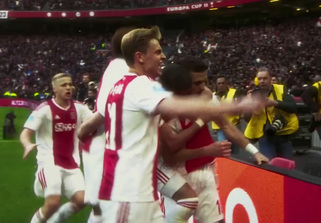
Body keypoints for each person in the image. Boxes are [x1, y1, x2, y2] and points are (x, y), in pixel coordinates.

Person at [78, 26, 264, 223]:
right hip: (129, 187)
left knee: (188, 200)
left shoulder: (119, 86)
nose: (163, 57)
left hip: (132, 179)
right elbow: (175, 108)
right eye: (157, 52)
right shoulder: (141, 86)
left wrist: (83, 132)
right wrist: (238, 104)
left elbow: (100, 118)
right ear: (140, 57)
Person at [158, 58, 269, 223]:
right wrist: (207, 146)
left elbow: (226, 125)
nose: (202, 86)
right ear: (181, 81)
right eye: (196, 83)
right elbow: (170, 156)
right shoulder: (163, 107)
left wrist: (254, 151)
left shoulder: (207, 96)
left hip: (204, 172)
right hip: (176, 178)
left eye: (204, 81)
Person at [19, 73, 93, 223]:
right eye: (63, 85)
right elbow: (26, 133)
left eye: (70, 84)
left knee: (81, 200)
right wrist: (27, 145)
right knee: (53, 202)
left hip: (71, 163)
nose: (68, 88)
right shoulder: (44, 109)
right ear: (55, 89)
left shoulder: (80, 108)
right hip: (49, 162)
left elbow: (95, 122)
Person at [80, 27, 133, 223]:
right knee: (106, 209)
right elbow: (104, 110)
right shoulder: (121, 68)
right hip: (105, 146)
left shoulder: (118, 66)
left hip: (107, 145)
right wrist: (83, 130)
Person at [244, 67, 299, 160]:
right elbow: (246, 118)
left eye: (265, 78)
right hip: (264, 136)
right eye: (259, 79)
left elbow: (293, 108)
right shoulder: (252, 95)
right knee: (270, 165)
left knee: (286, 165)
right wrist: (249, 106)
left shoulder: (281, 89)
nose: (262, 81)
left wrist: (274, 103)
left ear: (271, 79)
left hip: (283, 133)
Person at [211, 75, 241, 154]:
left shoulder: (234, 92)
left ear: (227, 83)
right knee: (224, 150)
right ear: (216, 85)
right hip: (221, 127)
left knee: (235, 151)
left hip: (234, 125)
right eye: (219, 83)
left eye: (223, 83)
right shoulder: (212, 96)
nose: (221, 85)